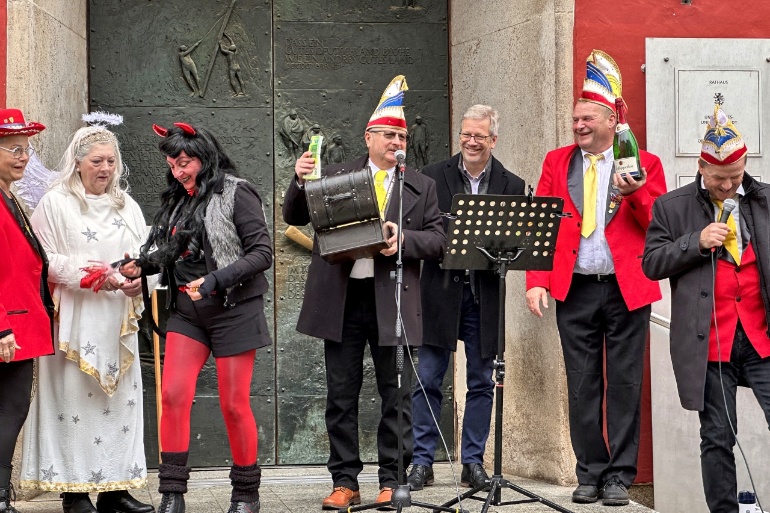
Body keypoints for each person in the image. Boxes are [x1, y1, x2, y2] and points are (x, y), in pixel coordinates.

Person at [283, 75, 445, 509]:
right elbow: (296, 214)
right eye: (388, 134)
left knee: (397, 395)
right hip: (342, 301)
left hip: (393, 301)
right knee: (341, 394)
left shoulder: (422, 186)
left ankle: (393, 479)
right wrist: (300, 180)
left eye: (401, 136)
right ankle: (345, 482)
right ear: (368, 137)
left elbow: (439, 239)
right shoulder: (335, 174)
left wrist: (404, 239)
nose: (395, 142)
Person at [525, 50, 666, 506]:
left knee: (625, 385)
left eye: (587, 118)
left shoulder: (645, 162)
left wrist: (637, 192)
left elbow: (658, 226)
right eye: (574, 118)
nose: (578, 125)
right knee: (583, 383)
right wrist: (536, 279)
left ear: (611, 119)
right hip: (576, 288)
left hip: (627, 290)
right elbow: (541, 225)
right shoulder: (557, 161)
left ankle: (619, 478)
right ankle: (589, 472)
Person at [120, 122, 272, 513]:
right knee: (172, 396)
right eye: (172, 164)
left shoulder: (238, 192)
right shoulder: (179, 198)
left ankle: (245, 495)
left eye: (184, 163)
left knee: (234, 404)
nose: (178, 171)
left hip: (234, 310)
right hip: (188, 313)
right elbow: (175, 250)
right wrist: (144, 264)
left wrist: (215, 280)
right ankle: (172, 494)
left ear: (205, 157)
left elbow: (261, 254)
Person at [643, 100, 770, 513]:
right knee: (717, 436)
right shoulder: (671, 207)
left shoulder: (766, 200)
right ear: (701, 168)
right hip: (710, 342)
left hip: (761, 336)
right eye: (719, 179)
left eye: (735, 176)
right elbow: (651, 263)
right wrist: (693, 242)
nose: (729, 186)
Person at [19, 124, 154, 513]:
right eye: (97, 161)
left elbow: (147, 255)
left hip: (117, 321)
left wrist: (137, 280)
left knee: (119, 405)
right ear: (78, 162)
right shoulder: (55, 203)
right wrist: (92, 273)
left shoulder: (126, 205)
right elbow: (43, 260)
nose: (106, 168)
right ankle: (74, 492)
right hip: (74, 323)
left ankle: (116, 492)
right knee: (73, 403)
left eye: (111, 161)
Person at [407, 105, 524, 491]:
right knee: (427, 379)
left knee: (481, 381)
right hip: (440, 292)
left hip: (485, 294)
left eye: (480, 136)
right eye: (466, 135)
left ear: (493, 140)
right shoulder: (429, 178)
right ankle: (422, 461)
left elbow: (519, 245)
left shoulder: (512, 183)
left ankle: (472, 461)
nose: (471, 142)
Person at [0, 108, 54, 513]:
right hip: (8, 328)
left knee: (12, 410)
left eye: (26, 150)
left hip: (22, 322)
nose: (23, 157)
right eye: (13, 149)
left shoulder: (9, 196)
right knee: (10, 409)